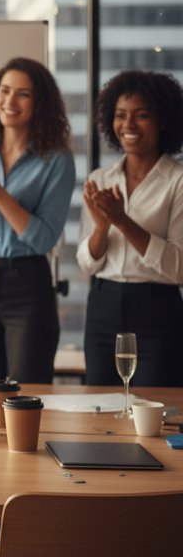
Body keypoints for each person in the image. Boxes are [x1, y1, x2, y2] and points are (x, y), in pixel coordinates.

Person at [0, 57, 75, 384]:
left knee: (28, 391)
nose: (10, 101)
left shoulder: (57, 160)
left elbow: (44, 239)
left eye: (23, 94)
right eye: (4, 91)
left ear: (40, 103)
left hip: (28, 284)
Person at [78, 70, 183, 387]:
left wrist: (122, 221)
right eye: (120, 116)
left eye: (141, 116)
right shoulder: (101, 178)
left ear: (163, 121)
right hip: (102, 307)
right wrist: (101, 229)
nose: (129, 126)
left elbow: (179, 268)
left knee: (154, 413)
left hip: (157, 310)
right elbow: (87, 261)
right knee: (99, 408)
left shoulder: (177, 181)